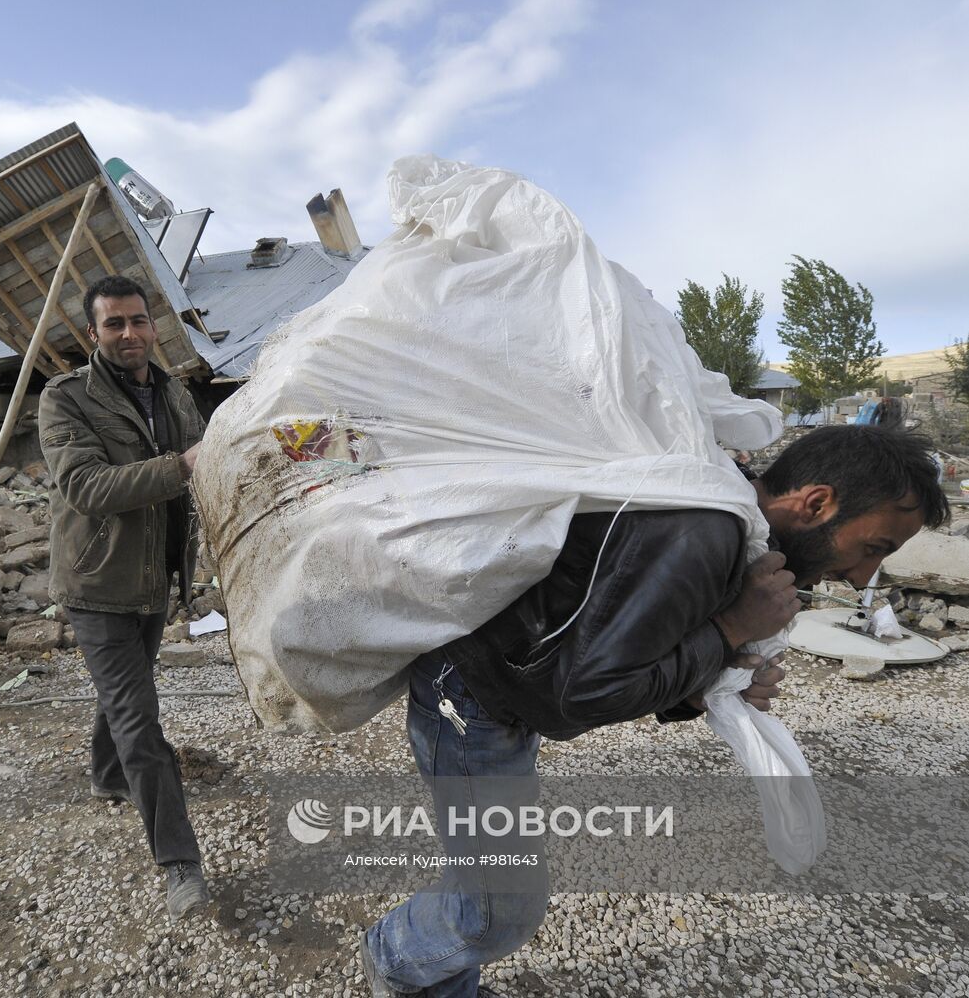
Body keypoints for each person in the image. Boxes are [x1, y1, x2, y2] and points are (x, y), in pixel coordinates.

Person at [359, 425, 949, 997]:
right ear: (817, 503)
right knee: (498, 911)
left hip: (508, 684)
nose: (863, 576)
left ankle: (442, 987)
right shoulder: (702, 534)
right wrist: (731, 630)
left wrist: (706, 681)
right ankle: (395, 957)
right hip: (472, 700)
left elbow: (622, 654)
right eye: (874, 549)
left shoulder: (730, 515)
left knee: (485, 880)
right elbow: (578, 700)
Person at [39, 274, 210, 919]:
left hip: (152, 581)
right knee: (140, 718)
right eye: (115, 324)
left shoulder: (173, 393)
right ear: (94, 334)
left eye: (139, 321)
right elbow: (86, 485)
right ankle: (180, 864)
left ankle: (108, 776)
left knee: (126, 692)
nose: (130, 334)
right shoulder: (66, 399)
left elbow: (205, 460)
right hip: (97, 582)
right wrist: (183, 466)